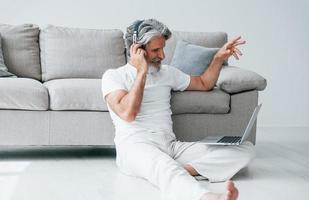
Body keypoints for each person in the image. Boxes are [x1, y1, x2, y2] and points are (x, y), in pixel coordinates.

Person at [101, 19, 255, 200]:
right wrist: (141, 71)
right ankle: (208, 197)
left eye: (163, 48)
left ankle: (177, 172)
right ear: (137, 49)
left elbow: (204, 83)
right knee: (163, 164)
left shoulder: (167, 73)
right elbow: (128, 113)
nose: (163, 55)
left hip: (170, 146)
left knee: (245, 149)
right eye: (156, 50)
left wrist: (218, 59)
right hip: (135, 147)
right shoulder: (114, 76)